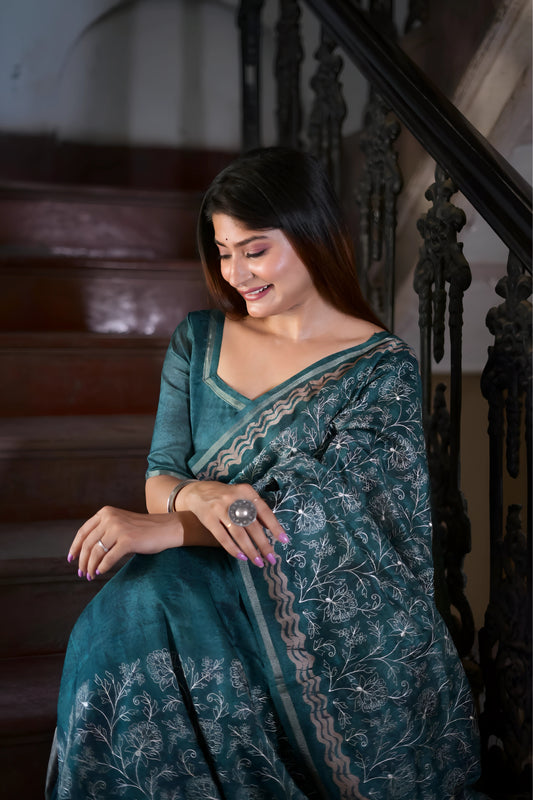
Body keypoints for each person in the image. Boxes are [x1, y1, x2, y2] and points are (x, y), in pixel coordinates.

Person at [46, 147, 484, 799]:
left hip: (313, 613)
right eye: (224, 252)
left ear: (312, 235)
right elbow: (161, 477)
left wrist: (171, 529)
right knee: (121, 623)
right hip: (193, 582)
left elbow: (340, 517)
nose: (236, 273)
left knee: (144, 606)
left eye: (255, 250)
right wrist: (200, 495)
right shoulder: (197, 341)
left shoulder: (376, 367)